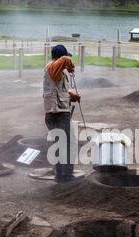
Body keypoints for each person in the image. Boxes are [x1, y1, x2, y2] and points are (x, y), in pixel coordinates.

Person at [43, 44, 80, 183]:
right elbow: (61, 65)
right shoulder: (51, 67)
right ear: (61, 57)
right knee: (68, 144)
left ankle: (61, 175)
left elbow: (57, 91)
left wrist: (71, 96)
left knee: (62, 144)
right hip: (57, 113)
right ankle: (66, 177)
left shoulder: (56, 70)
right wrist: (67, 61)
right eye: (65, 57)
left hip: (56, 113)